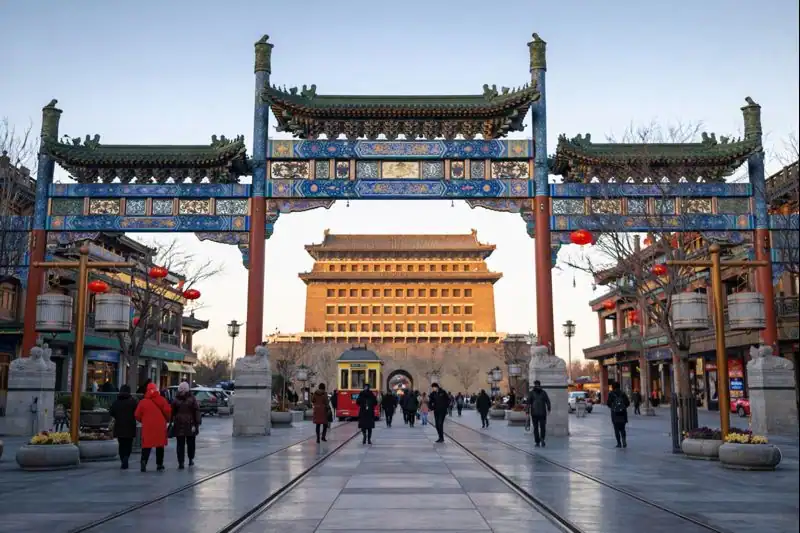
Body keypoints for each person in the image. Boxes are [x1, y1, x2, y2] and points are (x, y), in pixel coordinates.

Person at [135, 382, 171, 472]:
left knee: (146, 445)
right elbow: (168, 412)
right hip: (160, 426)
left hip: (148, 427)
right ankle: (159, 464)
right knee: (160, 445)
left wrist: (142, 420)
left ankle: (143, 462)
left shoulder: (143, 402)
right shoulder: (162, 400)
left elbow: (137, 415)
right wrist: (167, 420)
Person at [170, 381, 201, 469]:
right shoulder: (192, 399)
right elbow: (196, 411)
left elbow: (172, 412)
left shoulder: (175, 399)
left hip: (179, 424)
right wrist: (197, 423)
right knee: (191, 443)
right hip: (191, 424)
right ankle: (190, 459)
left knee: (180, 444)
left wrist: (172, 421)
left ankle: (181, 462)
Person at [109, 384, 138, 469]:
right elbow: (137, 412)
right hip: (130, 426)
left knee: (121, 444)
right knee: (128, 444)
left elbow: (111, 412)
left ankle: (123, 459)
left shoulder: (116, 402)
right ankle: (126, 457)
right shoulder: (133, 402)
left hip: (119, 426)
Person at [527, 380, 551, 447]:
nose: (537, 386)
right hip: (538, 413)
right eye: (536, 385)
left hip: (538, 413)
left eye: (537, 385)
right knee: (539, 428)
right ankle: (539, 440)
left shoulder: (536, 393)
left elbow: (547, 401)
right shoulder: (540, 392)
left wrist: (549, 408)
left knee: (538, 428)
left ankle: (540, 440)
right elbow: (528, 402)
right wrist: (549, 408)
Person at [607, 383, 631, 448]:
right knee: (623, 428)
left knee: (616, 429)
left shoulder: (611, 394)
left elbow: (608, 403)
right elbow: (628, 403)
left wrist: (613, 407)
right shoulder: (623, 393)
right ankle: (624, 441)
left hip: (615, 414)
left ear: (613, 387)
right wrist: (622, 407)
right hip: (623, 413)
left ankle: (619, 443)